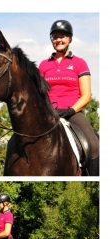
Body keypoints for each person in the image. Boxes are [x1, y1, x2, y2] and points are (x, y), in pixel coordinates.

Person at [38, 20, 98, 176]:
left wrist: (70, 110)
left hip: (72, 112)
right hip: (48, 113)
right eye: (55, 37)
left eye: (63, 36)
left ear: (70, 38)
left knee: (94, 144)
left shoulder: (79, 63)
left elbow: (86, 95)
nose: (59, 40)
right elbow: (38, 93)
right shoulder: (44, 65)